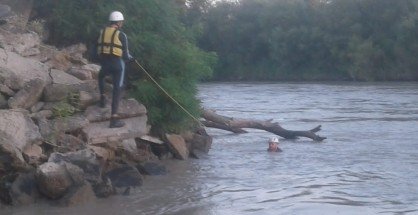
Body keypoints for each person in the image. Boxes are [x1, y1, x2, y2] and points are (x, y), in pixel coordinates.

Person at [96, 11, 134, 128]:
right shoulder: (122, 35)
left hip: (105, 63)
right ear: (118, 22)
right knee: (118, 88)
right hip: (117, 65)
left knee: (101, 76)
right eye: (121, 21)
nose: (122, 23)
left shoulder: (102, 32)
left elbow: (97, 48)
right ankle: (114, 119)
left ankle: (102, 98)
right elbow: (126, 56)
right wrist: (132, 58)